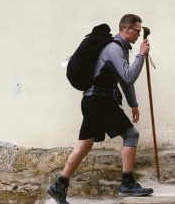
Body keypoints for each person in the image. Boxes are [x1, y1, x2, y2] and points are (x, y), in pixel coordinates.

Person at [48, 14, 153, 204]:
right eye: (138, 31)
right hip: (99, 100)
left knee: (85, 145)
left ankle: (59, 185)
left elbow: (123, 80)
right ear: (126, 29)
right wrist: (141, 55)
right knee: (131, 135)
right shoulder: (114, 48)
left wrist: (133, 103)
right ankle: (127, 183)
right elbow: (129, 76)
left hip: (92, 100)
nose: (139, 35)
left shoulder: (119, 49)